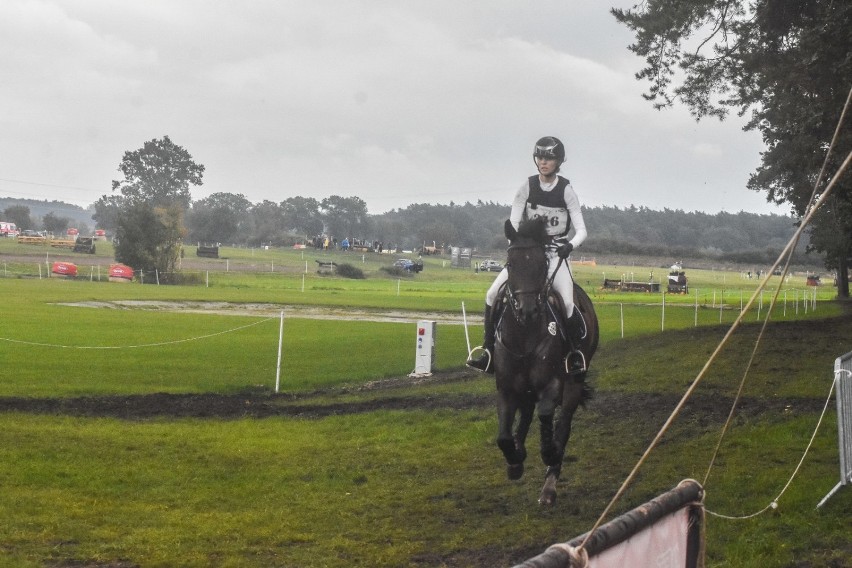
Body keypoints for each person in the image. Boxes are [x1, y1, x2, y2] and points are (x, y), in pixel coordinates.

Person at [466, 136, 588, 374]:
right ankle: (488, 350)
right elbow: (513, 223)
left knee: (567, 301)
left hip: (555, 254)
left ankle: (573, 353)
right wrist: (518, 247)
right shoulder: (527, 187)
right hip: (528, 255)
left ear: (558, 161)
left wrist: (569, 246)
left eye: (549, 158)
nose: (544, 162)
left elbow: (582, 230)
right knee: (492, 294)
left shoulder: (566, 191)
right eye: (540, 157)